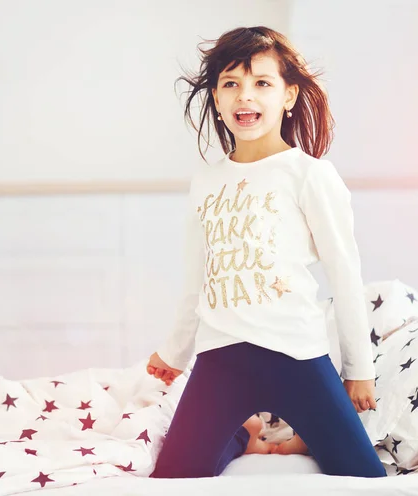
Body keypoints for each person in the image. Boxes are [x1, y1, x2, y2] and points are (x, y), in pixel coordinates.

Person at [147, 25, 387, 479]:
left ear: (289, 96)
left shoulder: (310, 176)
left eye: (262, 83)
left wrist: (359, 368)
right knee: (174, 476)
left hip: (298, 355)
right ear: (216, 98)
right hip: (220, 358)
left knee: (363, 476)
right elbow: (196, 280)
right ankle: (243, 434)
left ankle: (298, 432)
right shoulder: (206, 180)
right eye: (231, 84)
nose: (245, 97)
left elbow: (344, 273)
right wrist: (174, 354)